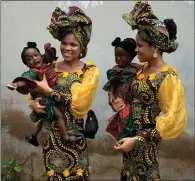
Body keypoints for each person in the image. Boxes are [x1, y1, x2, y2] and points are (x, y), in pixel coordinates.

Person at [112, 1, 187, 180]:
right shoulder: (140, 70)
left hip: (146, 147)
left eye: (140, 45)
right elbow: (129, 99)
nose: (135, 49)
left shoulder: (168, 77)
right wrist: (118, 103)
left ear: (155, 47)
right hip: (129, 142)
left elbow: (171, 120)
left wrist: (137, 140)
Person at [28, 6, 99, 180]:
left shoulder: (88, 71)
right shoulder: (49, 68)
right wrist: (33, 104)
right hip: (50, 135)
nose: (67, 48)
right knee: (54, 176)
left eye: (73, 44)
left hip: (74, 135)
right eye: (64, 43)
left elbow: (79, 103)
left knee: (77, 175)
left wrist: (49, 91)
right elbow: (34, 93)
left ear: (81, 47)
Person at [6, 42, 77, 147]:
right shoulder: (32, 72)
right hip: (46, 98)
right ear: (27, 64)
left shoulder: (45, 62)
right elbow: (25, 80)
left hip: (54, 94)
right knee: (60, 116)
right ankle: (65, 137)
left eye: (36, 55)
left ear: (40, 55)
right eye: (29, 59)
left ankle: (33, 136)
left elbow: (50, 55)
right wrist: (16, 84)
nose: (34, 59)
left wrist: (48, 49)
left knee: (45, 119)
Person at [103, 37, 140, 140]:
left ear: (132, 55)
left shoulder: (137, 69)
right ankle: (125, 139)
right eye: (116, 56)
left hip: (131, 102)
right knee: (122, 122)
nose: (118, 58)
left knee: (129, 123)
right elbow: (112, 84)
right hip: (120, 102)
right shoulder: (115, 70)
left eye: (121, 55)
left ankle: (129, 139)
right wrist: (111, 95)